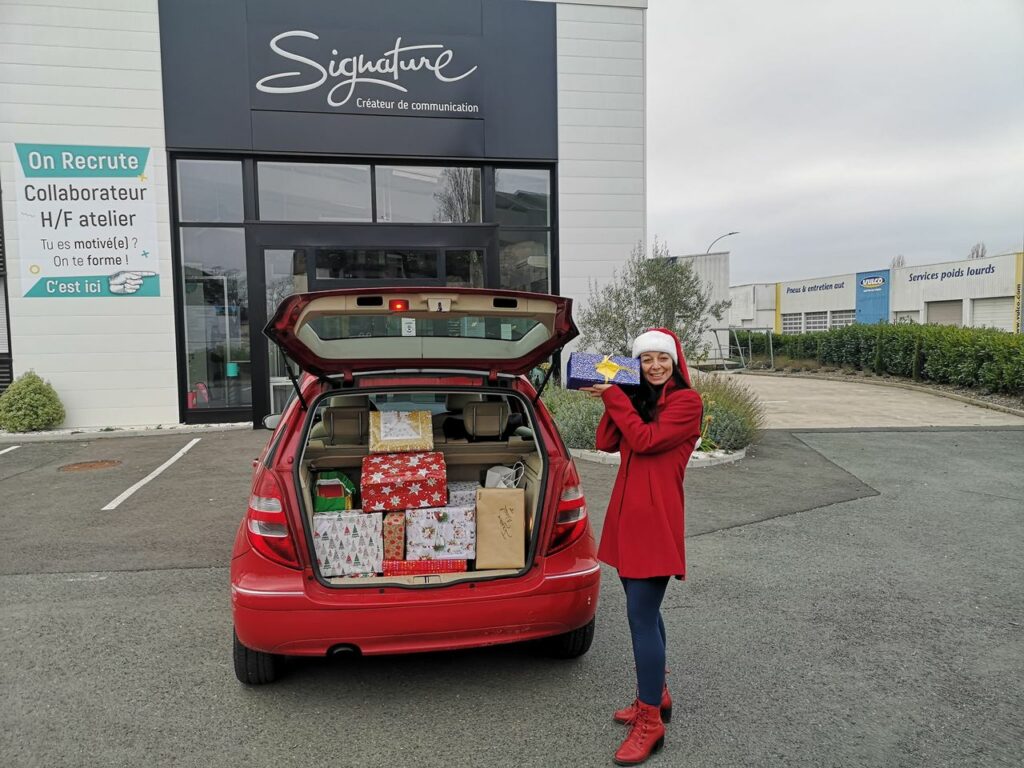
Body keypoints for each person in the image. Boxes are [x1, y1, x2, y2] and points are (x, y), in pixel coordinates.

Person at [581, 327, 703, 766]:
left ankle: (650, 722)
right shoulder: (644, 402)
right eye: (646, 359)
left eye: (661, 359)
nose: (654, 366)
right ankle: (657, 693)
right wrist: (623, 396)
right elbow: (607, 441)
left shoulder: (687, 403)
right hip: (629, 519)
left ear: (675, 361)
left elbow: (646, 441)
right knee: (647, 613)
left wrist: (616, 397)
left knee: (640, 619)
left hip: (655, 523)